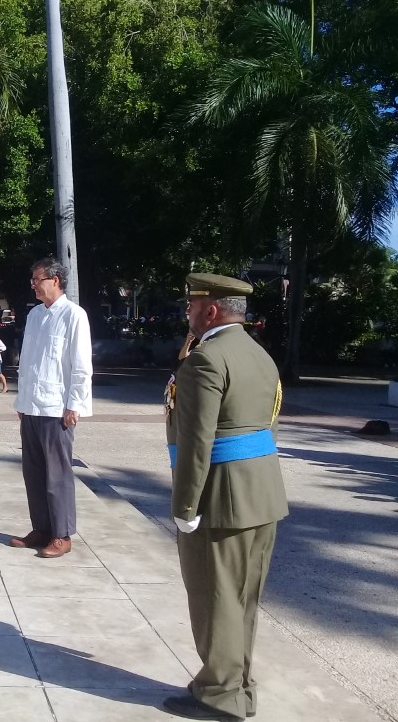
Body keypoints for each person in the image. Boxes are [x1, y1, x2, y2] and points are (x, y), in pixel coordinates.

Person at [162, 273, 288, 722]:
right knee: (243, 600)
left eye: (192, 307)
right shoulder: (260, 356)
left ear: (210, 310)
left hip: (218, 497)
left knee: (214, 599)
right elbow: (268, 424)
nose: (188, 314)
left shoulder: (206, 360)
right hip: (261, 495)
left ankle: (220, 695)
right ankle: (239, 685)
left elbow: (197, 442)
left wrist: (185, 507)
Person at [10, 257, 93, 559]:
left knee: (57, 474)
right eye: (33, 279)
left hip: (57, 407)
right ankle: (41, 528)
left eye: (38, 279)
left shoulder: (74, 315)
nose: (33, 284)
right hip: (32, 405)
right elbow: (28, 363)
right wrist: (22, 400)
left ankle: (62, 533)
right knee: (33, 472)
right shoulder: (35, 315)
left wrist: (75, 404)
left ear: (55, 280)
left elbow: (82, 365)